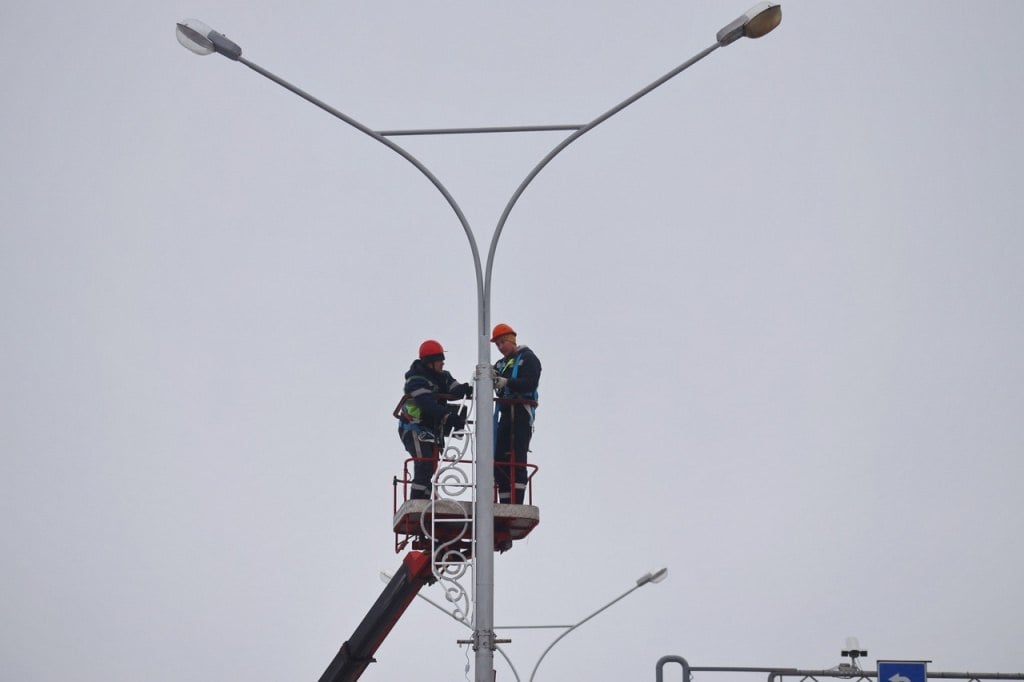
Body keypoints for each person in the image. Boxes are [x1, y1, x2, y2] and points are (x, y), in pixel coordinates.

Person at [397, 340, 473, 500]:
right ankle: (417, 502)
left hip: (431, 430)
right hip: (413, 428)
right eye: (439, 360)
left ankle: (424, 501)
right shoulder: (415, 379)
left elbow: (454, 389)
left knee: (430, 465)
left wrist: (468, 388)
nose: (442, 363)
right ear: (429, 363)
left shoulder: (443, 377)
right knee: (424, 461)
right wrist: (447, 417)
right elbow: (426, 403)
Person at [491, 323, 541, 504]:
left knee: (517, 457)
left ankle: (516, 501)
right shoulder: (501, 364)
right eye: (497, 345)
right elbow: (493, 374)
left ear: (512, 340)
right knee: (500, 460)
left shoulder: (528, 359)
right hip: (505, 414)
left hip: (520, 412)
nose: (500, 347)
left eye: (502, 342)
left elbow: (529, 382)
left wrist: (507, 383)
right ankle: (505, 501)